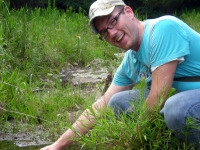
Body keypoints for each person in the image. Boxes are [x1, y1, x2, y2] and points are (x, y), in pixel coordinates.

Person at [41, 0, 200, 149]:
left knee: (176, 108)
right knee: (117, 101)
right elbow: (101, 105)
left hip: (186, 99)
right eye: (104, 32)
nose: (111, 33)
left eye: (113, 21)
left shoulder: (163, 29)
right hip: (182, 98)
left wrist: (132, 138)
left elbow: (159, 96)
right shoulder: (130, 61)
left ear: (129, 12)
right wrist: (58, 145)